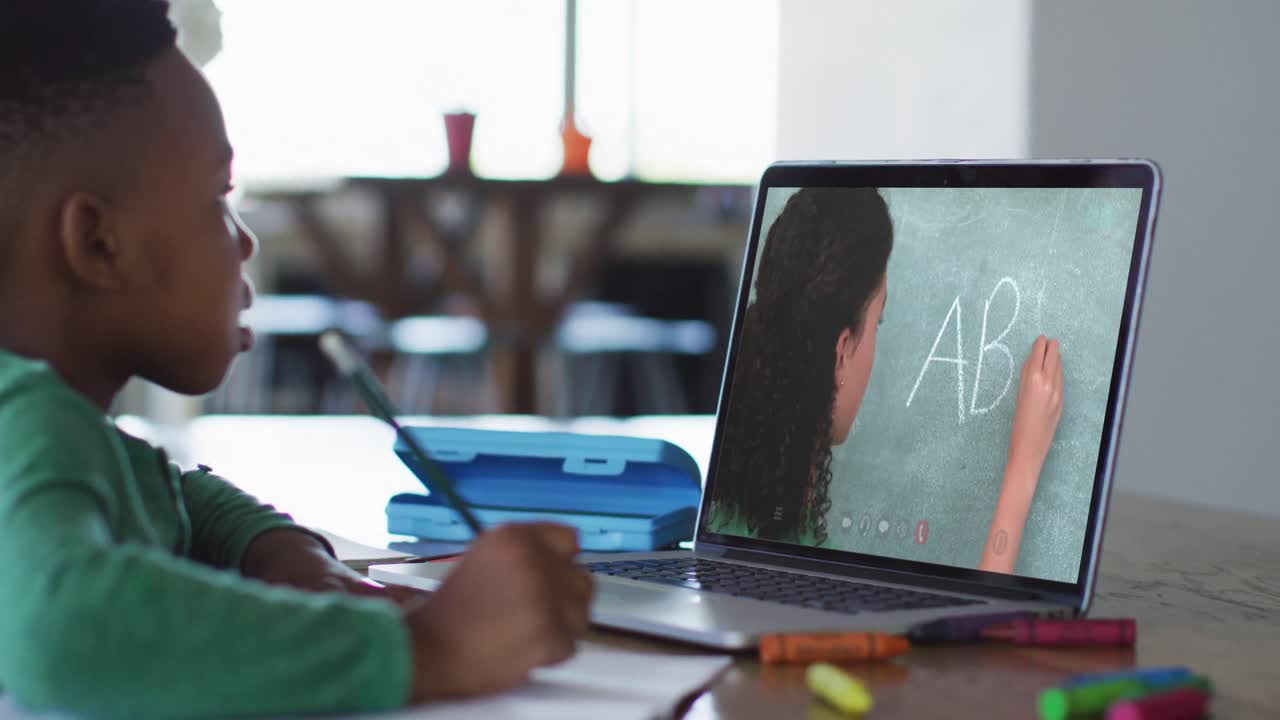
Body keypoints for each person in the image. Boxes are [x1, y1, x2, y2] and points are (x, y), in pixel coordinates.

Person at [0, 2, 591, 718]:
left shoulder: (50, 427)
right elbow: (67, 634)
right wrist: (434, 648)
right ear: (98, 244)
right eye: (219, 199)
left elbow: (170, 492)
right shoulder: (31, 425)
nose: (244, 242)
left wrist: (273, 548)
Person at [709, 187, 1064, 574]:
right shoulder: (796, 557)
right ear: (843, 351)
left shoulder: (726, 513)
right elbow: (974, 634)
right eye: (877, 322)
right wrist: (1023, 470)